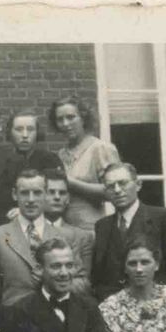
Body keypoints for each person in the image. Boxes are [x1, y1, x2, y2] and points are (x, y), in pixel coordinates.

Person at [92, 161, 166, 323]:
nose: (117, 190)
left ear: (138, 185)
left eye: (122, 183)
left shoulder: (164, 219)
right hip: (115, 317)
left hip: (158, 313)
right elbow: (98, 278)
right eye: (110, 186)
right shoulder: (102, 226)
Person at [0, 168, 93, 306]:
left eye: (37, 193)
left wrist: (52, 280)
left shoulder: (67, 236)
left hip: (56, 313)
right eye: (24, 193)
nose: (31, 200)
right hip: (13, 315)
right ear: (14, 194)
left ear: (46, 194)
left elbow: (82, 284)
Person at [48, 95, 120, 231]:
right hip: (64, 230)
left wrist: (72, 183)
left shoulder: (100, 148)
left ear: (83, 118)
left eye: (71, 117)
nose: (66, 124)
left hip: (92, 229)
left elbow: (113, 191)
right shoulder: (61, 154)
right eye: (60, 119)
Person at [5, 110, 62, 175]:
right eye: (19, 129)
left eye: (30, 129)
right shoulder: (3, 160)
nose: (25, 135)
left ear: (37, 132)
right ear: (10, 133)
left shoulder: (50, 160)